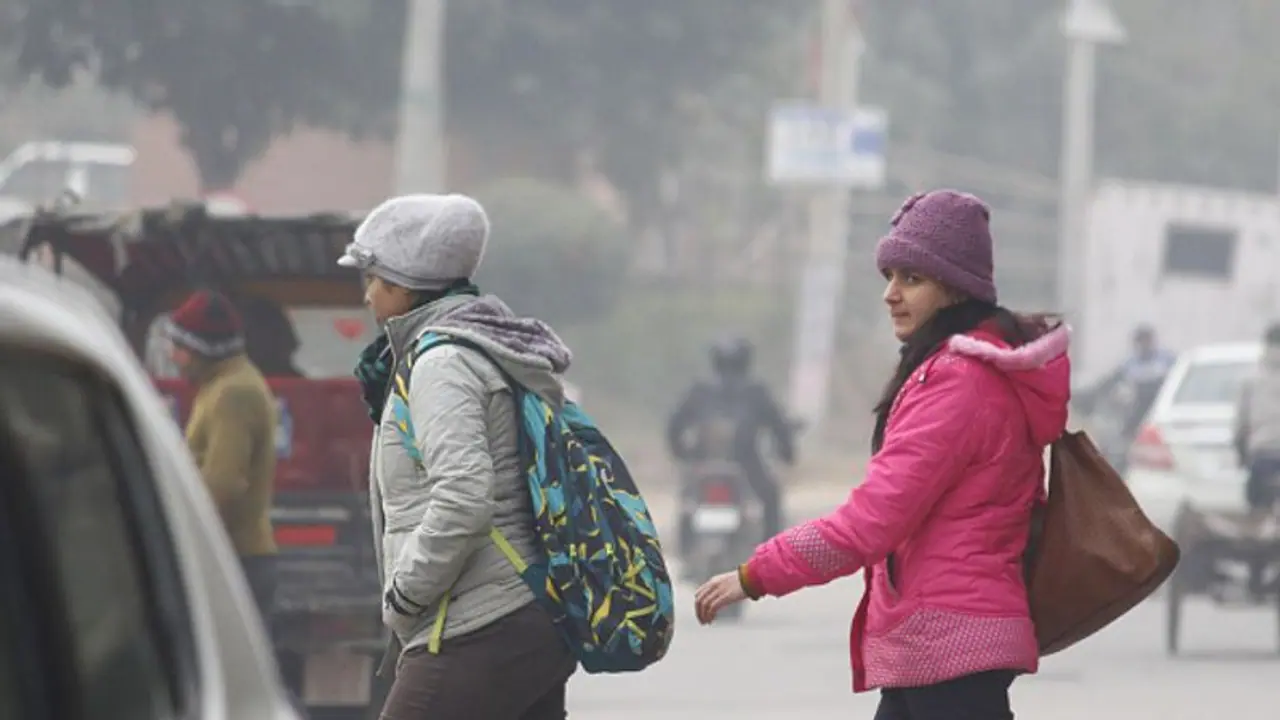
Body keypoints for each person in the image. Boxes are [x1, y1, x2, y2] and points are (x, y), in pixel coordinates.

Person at [695, 190, 1072, 720]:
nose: (891, 294)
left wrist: (755, 575)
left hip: (951, 652)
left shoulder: (957, 384)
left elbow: (870, 523)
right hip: (936, 651)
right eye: (889, 276)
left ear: (956, 289)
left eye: (911, 279)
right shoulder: (962, 374)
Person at [344, 193, 576, 720]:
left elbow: (464, 497)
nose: (367, 295)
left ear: (403, 284)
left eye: (373, 279)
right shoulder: (475, 347)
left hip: (483, 618)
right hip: (522, 610)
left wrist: (405, 593)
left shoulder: (442, 364)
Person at [165, 289, 280, 637]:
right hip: (235, 558)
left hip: (235, 560)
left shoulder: (233, 393)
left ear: (202, 350)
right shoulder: (220, 385)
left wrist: (183, 541)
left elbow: (223, 485)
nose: (173, 357)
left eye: (180, 348)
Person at [667, 336, 796, 552]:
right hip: (746, 463)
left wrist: (682, 453)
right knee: (770, 499)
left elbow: (674, 426)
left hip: (702, 463)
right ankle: (772, 553)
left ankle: (685, 549)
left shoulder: (699, 389)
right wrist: (787, 452)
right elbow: (778, 426)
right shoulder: (757, 391)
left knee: (687, 500)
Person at [1234, 322, 1280, 597]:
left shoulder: (1250, 378)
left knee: (1257, 517)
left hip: (1262, 457)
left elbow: (1240, 425)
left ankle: (1255, 578)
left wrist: (1241, 454)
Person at [1088, 324, 1175, 434]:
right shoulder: (1131, 362)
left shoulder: (1165, 358)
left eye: (1146, 341)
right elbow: (1114, 378)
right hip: (1139, 402)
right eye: (1141, 341)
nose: (1144, 345)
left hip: (1160, 399)